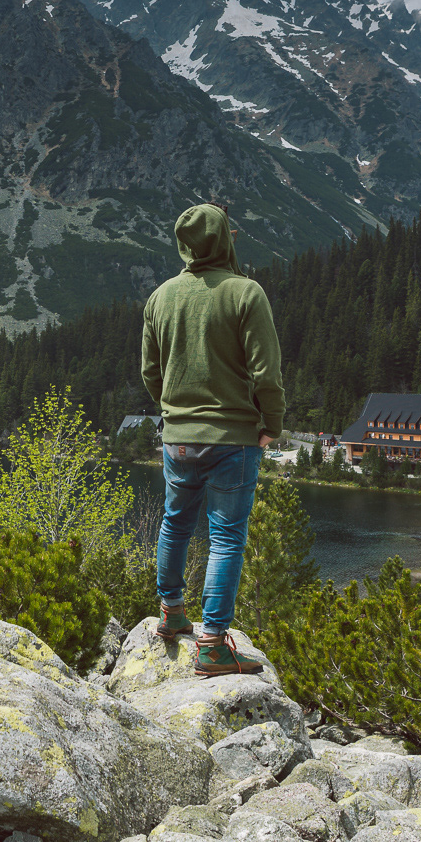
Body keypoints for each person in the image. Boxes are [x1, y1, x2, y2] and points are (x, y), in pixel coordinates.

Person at [141, 202, 284, 677]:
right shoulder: (245, 293)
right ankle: (213, 646)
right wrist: (272, 424)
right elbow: (266, 373)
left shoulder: (160, 297)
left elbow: (151, 374)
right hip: (232, 439)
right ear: (224, 240)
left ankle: (171, 614)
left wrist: (176, 413)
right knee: (226, 538)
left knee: (174, 524)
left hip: (177, 439)